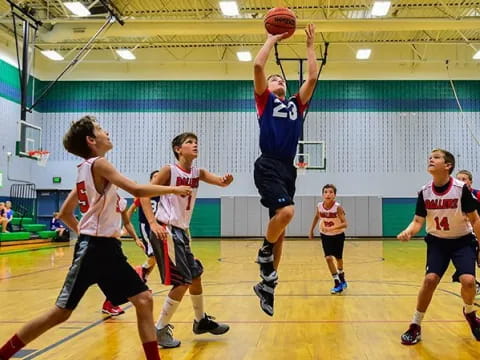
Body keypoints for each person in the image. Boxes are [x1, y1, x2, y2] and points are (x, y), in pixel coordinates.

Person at [0, 115, 192, 360]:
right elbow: (135, 190)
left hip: (105, 248)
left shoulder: (85, 170)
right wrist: (173, 188)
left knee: (144, 300)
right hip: (95, 248)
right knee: (60, 312)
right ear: (91, 140)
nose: (107, 132)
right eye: (101, 129)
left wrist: (85, 233)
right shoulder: (99, 164)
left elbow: (66, 213)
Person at [141, 132, 233, 349]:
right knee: (182, 280)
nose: (195, 145)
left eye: (196, 142)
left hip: (183, 231)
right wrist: (153, 224)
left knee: (196, 275)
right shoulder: (168, 171)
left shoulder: (197, 172)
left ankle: (200, 321)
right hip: (167, 229)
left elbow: (220, 182)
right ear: (177, 149)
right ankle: (160, 329)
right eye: (189, 142)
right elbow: (144, 194)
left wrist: (226, 181)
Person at [252, 23, 318, 316]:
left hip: (287, 169)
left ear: (287, 86)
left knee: (282, 233)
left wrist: (310, 45)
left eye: (280, 78)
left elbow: (313, 76)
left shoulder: (296, 104)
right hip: (267, 163)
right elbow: (257, 65)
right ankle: (263, 253)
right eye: (272, 77)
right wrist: (270, 39)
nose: (276, 78)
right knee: (287, 214)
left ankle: (267, 285)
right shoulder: (265, 101)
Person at [397, 149, 480, 345]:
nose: (430, 160)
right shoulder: (425, 192)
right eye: (430, 158)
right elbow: (418, 220)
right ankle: (415, 325)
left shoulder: (461, 189)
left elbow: (475, 220)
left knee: (468, 282)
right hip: (438, 242)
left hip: (462, 240)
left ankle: (469, 313)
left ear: (447, 165)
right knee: (430, 280)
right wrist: (409, 231)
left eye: (436, 157)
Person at [101, 197, 146, 316]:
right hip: (100, 244)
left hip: (113, 244)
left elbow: (127, 222)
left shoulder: (120, 201)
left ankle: (110, 303)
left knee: (114, 276)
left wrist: (136, 238)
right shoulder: (98, 199)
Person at [309, 184, 348, 294]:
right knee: (328, 258)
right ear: (322, 195)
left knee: (338, 259)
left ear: (334, 195)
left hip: (338, 235)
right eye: (325, 192)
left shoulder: (338, 207)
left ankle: (341, 275)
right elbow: (317, 217)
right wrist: (311, 230)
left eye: (331, 192)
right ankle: (337, 282)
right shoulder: (319, 206)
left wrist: (332, 228)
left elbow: (345, 224)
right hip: (325, 235)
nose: (328, 194)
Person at [126, 170, 161, 283]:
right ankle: (141, 271)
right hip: (146, 226)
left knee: (156, 257)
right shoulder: (144, 193)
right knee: (154, 255)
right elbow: (130, 210)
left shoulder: (163, 194)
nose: (157, 179)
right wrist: (125, 226)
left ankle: (143, 277)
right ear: (150, 180)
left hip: (159, 227)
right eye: (155, 177)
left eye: (159, 177)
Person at [453, 170, 480, 297]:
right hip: (464, 236)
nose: (461, 181)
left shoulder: (477, 195)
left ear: (470, 182)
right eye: (458, 179)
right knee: (467, 264)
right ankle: (474, 284)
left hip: (478, 233)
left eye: (464, 179)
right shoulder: (453, 196)